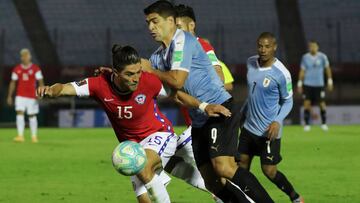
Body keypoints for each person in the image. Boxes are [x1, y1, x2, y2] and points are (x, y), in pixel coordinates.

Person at [40, 45, 228, 203]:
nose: (136, 78)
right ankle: (225, 196)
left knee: (144, 168)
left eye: (138, 72)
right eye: (129, 74)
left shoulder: (148, 81)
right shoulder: (99, 85)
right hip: (132, 147)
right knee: (148, 196)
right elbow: (64, 88)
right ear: (115, 73)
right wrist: (51, 90)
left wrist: (204, 106)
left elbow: (177, 95)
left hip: (160, 134)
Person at [143, 1, 273, 202]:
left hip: (220, 107)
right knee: (211, 181)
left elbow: (177, 79)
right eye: (148, 23)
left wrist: (151, 71)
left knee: (224, 167)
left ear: (170, 21)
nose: (150, 27)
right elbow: (174, 93)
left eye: (154, 21)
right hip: (200, 117)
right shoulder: (157, 58)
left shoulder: (183, 40)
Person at [237, 32, 304, 203]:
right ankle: (244, 198)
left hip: (269, 131)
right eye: (260, 45)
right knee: (241, 167)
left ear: (274, 47)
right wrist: (242, 113)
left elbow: (288, 102)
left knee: (269, 171)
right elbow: (252, 94)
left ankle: (294, 196)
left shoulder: (282, 73)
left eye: (267, 46)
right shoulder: (251, 63)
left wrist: (277, 121)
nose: (263, 50)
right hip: (248, 128)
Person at [7, 48, 44, 143]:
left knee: (32, 115)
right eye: (23, 56)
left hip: (32, 96)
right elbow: (12, 83)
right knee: (19, 113)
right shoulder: (17, 69)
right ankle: (20, 135)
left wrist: (41, 92)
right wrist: (9, 96)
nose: (25, 57)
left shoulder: (36, 68)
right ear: (21, 57)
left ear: (30, 56)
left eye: (27, 55)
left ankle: (34, 136)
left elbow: (40, 82)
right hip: (20, 95)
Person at [297, 41, 333, 131]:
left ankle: (324, 124)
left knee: (321, 103)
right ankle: (307, 124)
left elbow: (327, 69)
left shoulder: (322, 57)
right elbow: (302, 70)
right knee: (306, 104)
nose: (312, 48)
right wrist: (299, 83)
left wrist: (330, 81)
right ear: (309, 47)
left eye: (314, 46)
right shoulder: (305, 57)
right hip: (307, 84)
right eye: (311, 46)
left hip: (319, 84)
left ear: (317, 47)